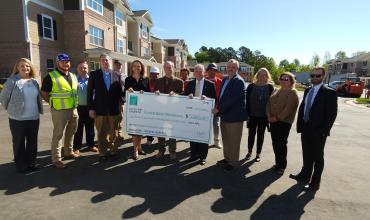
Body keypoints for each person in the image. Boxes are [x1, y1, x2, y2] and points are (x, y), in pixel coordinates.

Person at [290, 67, 338, 191]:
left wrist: (324, 131)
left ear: (323, 76)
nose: (315, 78)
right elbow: (303, 108)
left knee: (317, 157)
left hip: (319, 131)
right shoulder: (307, 91)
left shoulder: (329, 92)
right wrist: (300, 125)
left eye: (318, 76)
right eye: (313, 75)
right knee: (307, 154)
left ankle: (315, 183)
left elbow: (331, 114)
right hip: (306, 128)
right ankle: (305, 174)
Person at [0, 58, 43, 173]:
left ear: (30, 68)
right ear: (17, 68)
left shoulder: (34, 81)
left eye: (27, 66)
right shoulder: (12, 81)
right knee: (19, 142)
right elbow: (4, 98)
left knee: (32, 142)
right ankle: (21, 166)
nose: (25, 68)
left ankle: (31, 163)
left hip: (34, 118)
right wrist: (11, 110)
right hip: (17, 119)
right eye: (22, 66)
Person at [41, 53, 79, 169]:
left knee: (71, 131)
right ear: (57, 63)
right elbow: (44, 94)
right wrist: (53, 103)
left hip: (73, 109)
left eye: (67, 61)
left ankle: (68, 152)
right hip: (59, 110)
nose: (66, 63)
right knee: (58, 134)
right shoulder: (51, 76)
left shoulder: (73, 75)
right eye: (62, 61)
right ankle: (56, 159)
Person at [87, 54, 124, 162]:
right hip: (100, 109)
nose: (105, 62)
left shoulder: (117, 74)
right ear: (100, 62)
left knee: (114, 132)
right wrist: (91, 108)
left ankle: (113, 151)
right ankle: (102, 152)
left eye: (107, 60)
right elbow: (89, 93)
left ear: (110, 61)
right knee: (101, 133)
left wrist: (125, 98)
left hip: (114, 109)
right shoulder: (94, 74)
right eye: (103, 60)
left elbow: (120, 92)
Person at [215, 59, 248, 171]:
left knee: (234, 141)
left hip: (235, 118)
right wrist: (218, 108)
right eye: (229, 66)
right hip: (225, 115)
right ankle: (227, 158)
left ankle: (233, 162)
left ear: (237, 69)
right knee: (226, 139)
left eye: (233, 67)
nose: (230, 69)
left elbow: (231, 100)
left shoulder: (238, 81)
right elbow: (222, 96)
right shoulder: (225, 80)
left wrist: (218, 109)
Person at [266, 72, 299, 175]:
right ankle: (277, 163)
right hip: (272, 121)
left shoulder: (293, 92)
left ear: (291, 81)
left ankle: (282, 166)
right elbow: (268, 103)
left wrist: (276, 118)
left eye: (286, 79)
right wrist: (268, 116)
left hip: (284, 122)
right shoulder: (276, 90)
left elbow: (288, 109)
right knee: (275, 143)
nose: (283, 81)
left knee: (281, 144)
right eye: (282, 79)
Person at [183, 64, 216, 165]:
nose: (197, 73)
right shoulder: (190, 84)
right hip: (192, 114)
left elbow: (214, 99)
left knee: (203, 136)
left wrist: (207, 99)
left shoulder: (210, 84)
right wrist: (188, 96)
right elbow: (184, 97)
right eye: (196, 71)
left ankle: (203, 157)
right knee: (192, 135)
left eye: (200, 71)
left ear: (204, 72)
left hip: (204, 116)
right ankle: (193, 155)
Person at [154, 61, 183, 159]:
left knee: (172, 132)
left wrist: (177, 95)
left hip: (173, 111)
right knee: (160, 131)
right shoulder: (158, 81)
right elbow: (154, 96)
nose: (168, 69)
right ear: (163, 69)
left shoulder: (179, 82)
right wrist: (156, 93)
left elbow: (183, 96)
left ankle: (172, 151)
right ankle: (161, 150)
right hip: (160, 110)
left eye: (170, 67)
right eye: (166, 67)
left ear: (173, 68)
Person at [245, 68, 274, 162]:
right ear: (257, 76)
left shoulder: (270, 87)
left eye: (264, 74)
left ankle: (258, 153)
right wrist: (247, 115)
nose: (262, 76)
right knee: (251, 135)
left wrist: (270, 115)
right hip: (252, 116)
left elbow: (272, 103)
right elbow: (247, 102)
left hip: (264, 116)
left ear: (267, 76)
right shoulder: (251, 86)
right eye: (260, 74)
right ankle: (249, 152)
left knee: (261, 135)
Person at [124, 60, 150, 160]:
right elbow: (124, 93)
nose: (137, 68)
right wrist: (128, 90)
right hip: (133, 108)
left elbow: (149, 93)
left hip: (143, 108)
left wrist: (145, 93)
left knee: (139, 129)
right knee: (134, 130)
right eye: (135, 66)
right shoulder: (128, 79)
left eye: (138, 66)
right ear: (132, 68)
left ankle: (139, 147)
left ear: (141, 68)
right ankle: (135, 149)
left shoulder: (145, 79)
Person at [73, 61, 98, 156]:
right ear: (77, 69)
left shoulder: (92, 79)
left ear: (88, 69)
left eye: (85, 68)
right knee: (78, 128)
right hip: (77, 107)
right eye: (81, 68)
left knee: (90, 127)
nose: (83, 69)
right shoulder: (74, 79)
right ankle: (76, 147)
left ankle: (91, 145)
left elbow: (95, 93)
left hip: (89, 107)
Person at [205, 63, 223, 149]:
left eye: (214, 70)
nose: (212, 72)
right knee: (204, 125)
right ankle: (204, 141)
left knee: (216, 125)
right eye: (210, 70)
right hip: (204, 108)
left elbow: (222, 96)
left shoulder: (220, 81)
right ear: (207, 71)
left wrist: (218, 107)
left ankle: (216, 141)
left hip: (216, 107)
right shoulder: (203, 80)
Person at [146, 66, 160, 145]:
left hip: (159, 106)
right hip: (149, 105)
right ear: (150, 74)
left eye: (156, 74)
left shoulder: (161, 82)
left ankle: (160, 139)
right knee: (149, 123)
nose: (154, 75)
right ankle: (149, 138)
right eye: (153, 74)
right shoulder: (147, 81)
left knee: (158, 123)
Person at [113, 60, 127, 141]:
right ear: (114, 65)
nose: (118, 66)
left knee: (120, 116)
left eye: (119, 65)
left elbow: (126, 87)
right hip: (112, 99)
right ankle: (112, 133)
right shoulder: (110, 74)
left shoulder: (124, 76)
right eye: (116, 65)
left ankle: (119, 132)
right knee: (112, 117)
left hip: (121, 100)